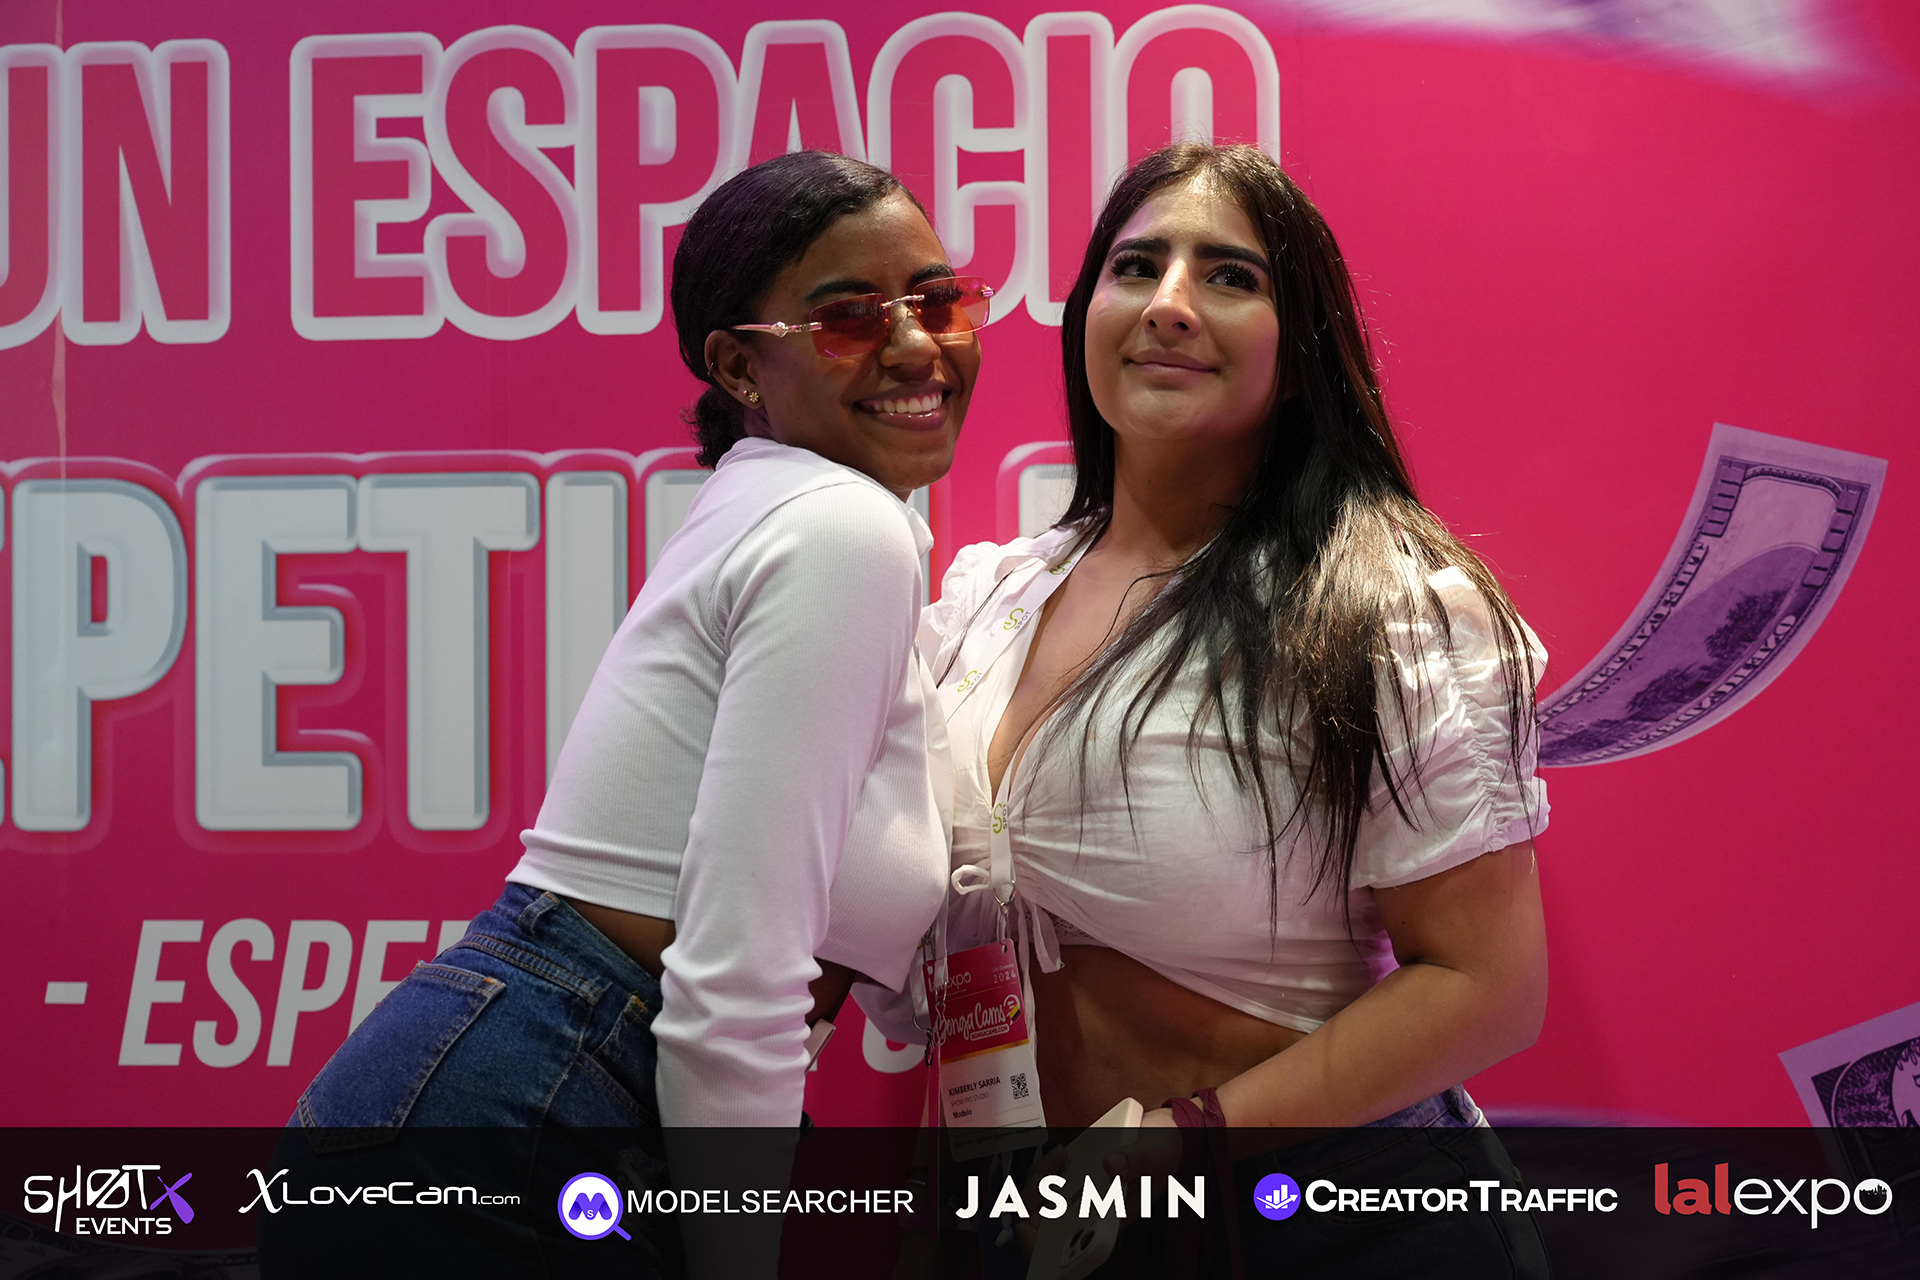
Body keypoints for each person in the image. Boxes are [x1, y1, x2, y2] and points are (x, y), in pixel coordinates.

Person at [270, 150, 985, 1275]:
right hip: (540, 1105)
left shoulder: (785, 505)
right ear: (738, 364)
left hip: (490, 1090)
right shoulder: (841, 529)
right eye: (848, 319)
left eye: (937, 301)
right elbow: (735, 975)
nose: (914, 346)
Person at [915, 142, 1552, 1274]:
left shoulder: (1388, 607)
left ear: (1298, 354)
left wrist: (1180, 1142)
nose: (1169, 303)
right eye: (1136, 266)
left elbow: (1487, 987)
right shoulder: (988, 599)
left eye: (1229, 275)